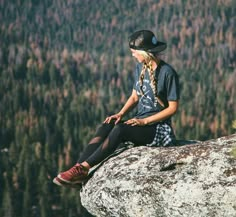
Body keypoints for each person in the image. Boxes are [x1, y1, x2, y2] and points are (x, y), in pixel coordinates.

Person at [53, 29, 180, 187]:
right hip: (142, 123)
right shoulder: (141, 68)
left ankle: (85, 168)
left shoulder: (168, 73)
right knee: (109, 124)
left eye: (134, 52)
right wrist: (120, 114)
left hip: (158, 129)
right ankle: (78, 169)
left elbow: (173, 108)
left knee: (120, 130)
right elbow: (135, 97)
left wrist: (145, 121)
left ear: (145, 52)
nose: (133, 55)